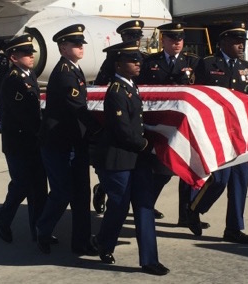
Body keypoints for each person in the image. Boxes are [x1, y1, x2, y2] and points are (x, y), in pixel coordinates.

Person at [91, 40, 169, 276]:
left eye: (139, 59)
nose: (138, 63)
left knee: (145, 206)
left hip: (138, 159)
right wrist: (147, 145)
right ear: (118, 65)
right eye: (132, 60)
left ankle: (149, 260)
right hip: (119, 159)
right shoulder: (115, 92)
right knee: (120, 206)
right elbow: (122, 131)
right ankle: (103, 242)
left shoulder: (131, 87)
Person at [187, 21, 248, 243]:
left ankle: (234, 229)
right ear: (223, 42)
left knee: (240, 180)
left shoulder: (247, 67)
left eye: (243, 42)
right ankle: (194, 209)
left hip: (241, 133)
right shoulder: (207, 65)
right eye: (236, 41)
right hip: (216, 132)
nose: (241, 45)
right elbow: (195, 97)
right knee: (219, 179)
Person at [36, 24, 101, 255]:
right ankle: (42, 231)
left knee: (82, 195)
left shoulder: (74, 69)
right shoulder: (64, 74)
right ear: (63, 48)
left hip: (75, 142)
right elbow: (78, 109)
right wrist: (101, 129)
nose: (81, 47)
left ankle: (80, 242)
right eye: (75, 44)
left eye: (81, 43)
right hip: (59, 145)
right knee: (63, 192)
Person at [137, 22, 209, 230]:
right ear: (164, 40)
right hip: (158, 125)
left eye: (180, 39)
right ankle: (145, 207)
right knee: (161, 172)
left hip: (183, 124)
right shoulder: (151, 62)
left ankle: (186, 215)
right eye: (172, 39)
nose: (177, 43)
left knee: (186, 169)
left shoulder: (194, 62)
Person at [92, 19, 165, 220]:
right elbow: (99, 89)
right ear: (123, 37)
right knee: (123, 175)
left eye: (137, 36)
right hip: (123, 115)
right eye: (130, 36)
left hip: (143, 115)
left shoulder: (146, 60)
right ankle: (104, 189)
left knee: (156, 171)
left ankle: (145, 202)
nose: (135, 39)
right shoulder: (114, 62)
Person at [0, 34, 50, 244]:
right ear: (14, 57)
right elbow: (24, 115)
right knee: (22, 185)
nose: (31, 56)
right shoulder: (13, 80)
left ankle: (38, 229)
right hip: (17, 143)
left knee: (39, 187)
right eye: (26, 53)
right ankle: (3, 217)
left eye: (31, 52)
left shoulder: (29, 75)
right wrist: (43, 129)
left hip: (32, 141)